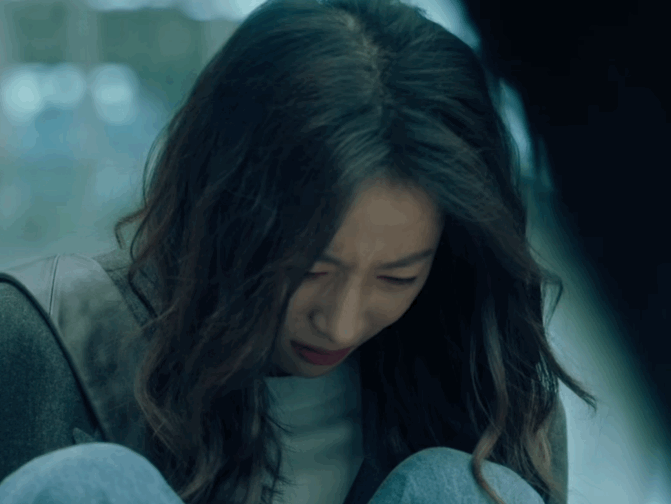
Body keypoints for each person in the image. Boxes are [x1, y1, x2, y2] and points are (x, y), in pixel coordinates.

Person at [0, 0, 598, 503]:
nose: (339, 322)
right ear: (224, 213)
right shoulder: (47, 338)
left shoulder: (490, 383)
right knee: (92, 486)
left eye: (396, 278)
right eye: (307, 271)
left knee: (460, 491)